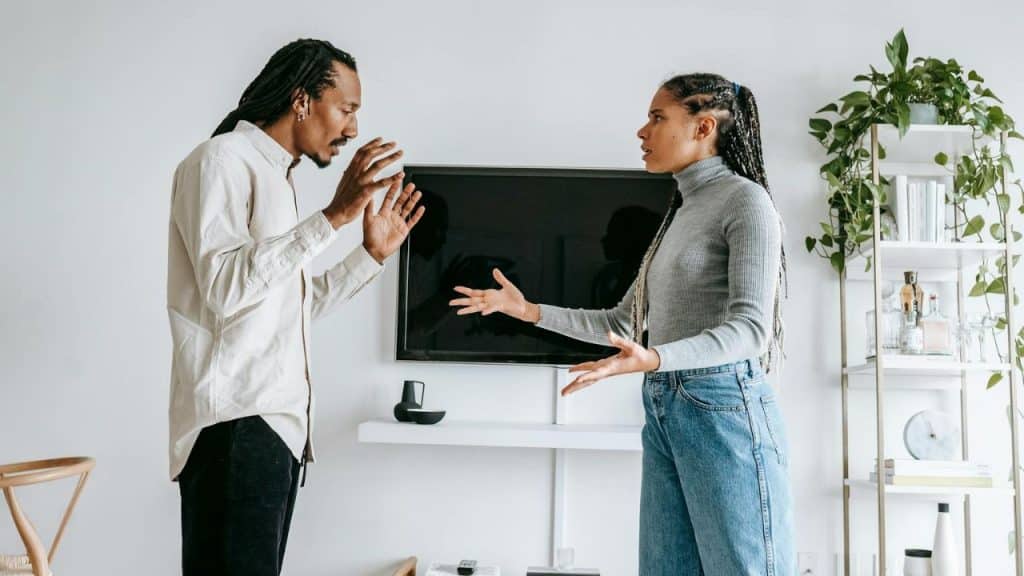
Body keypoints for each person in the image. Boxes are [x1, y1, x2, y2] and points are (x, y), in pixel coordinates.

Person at [450, 73, 793, 575]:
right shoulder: (681, 211)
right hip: (666, 407)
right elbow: (620, 321)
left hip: (724, 410)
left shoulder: (746, 202)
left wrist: (656, 358)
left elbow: (750, 331)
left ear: (703, 127)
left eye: (657, 118)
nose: (642, 131)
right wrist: (527, 311)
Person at [166, 38, 424, 575]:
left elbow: (290, 305)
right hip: (236, 427)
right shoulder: (221, 161)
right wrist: (331, 217)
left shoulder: (280, 182)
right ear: (302, 100)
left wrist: (370, 254)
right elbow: (222, 289)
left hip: (274, 433)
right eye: (347, 109)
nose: (352, 129)